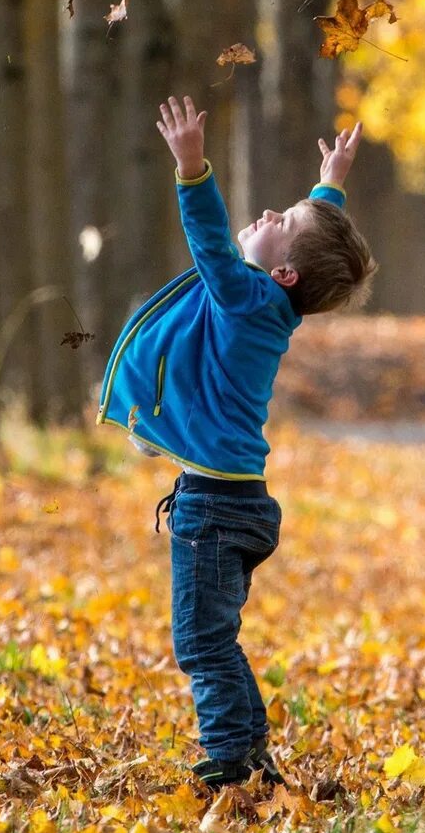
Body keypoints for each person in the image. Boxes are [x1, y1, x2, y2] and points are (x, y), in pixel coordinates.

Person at [98, 97, 376, 791]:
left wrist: (192, 169)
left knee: (201, 644)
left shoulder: (247, 299)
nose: (266, 216)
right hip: (233, 503)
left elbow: (214, 245)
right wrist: (328, 186)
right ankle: (251, 760)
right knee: (216, 641)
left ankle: (229, 766)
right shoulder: (270, 304)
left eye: (277, 222)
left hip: (216, 512)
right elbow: (306, 248)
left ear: (281, 273)